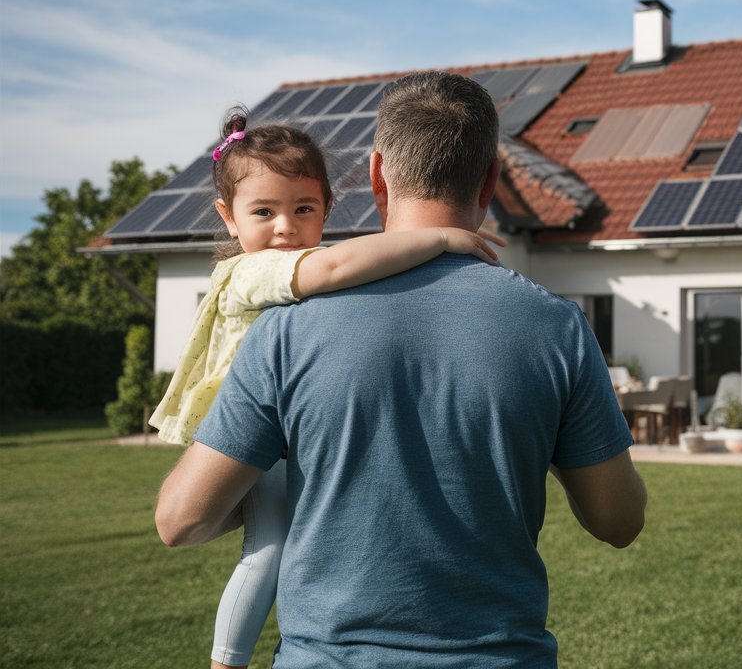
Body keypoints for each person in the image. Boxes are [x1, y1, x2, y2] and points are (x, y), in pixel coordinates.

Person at [156, 71, 647, 667]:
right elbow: (618, 521)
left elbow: (181, 520)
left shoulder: (286, 326)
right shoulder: (557, 328)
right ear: (492, 177)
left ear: (375, 176)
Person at [150, 107, 504, 669]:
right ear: (229, 217)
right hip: (248, 439)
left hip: (281, 435)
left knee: (293, 545)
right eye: (263, 211)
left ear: (327, 209)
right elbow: (337, 269)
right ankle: (227, 661)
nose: (285, 227)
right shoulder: (252, 271)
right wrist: (439, 237)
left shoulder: (291, 261)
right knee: (267, 552)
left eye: (303, 209)